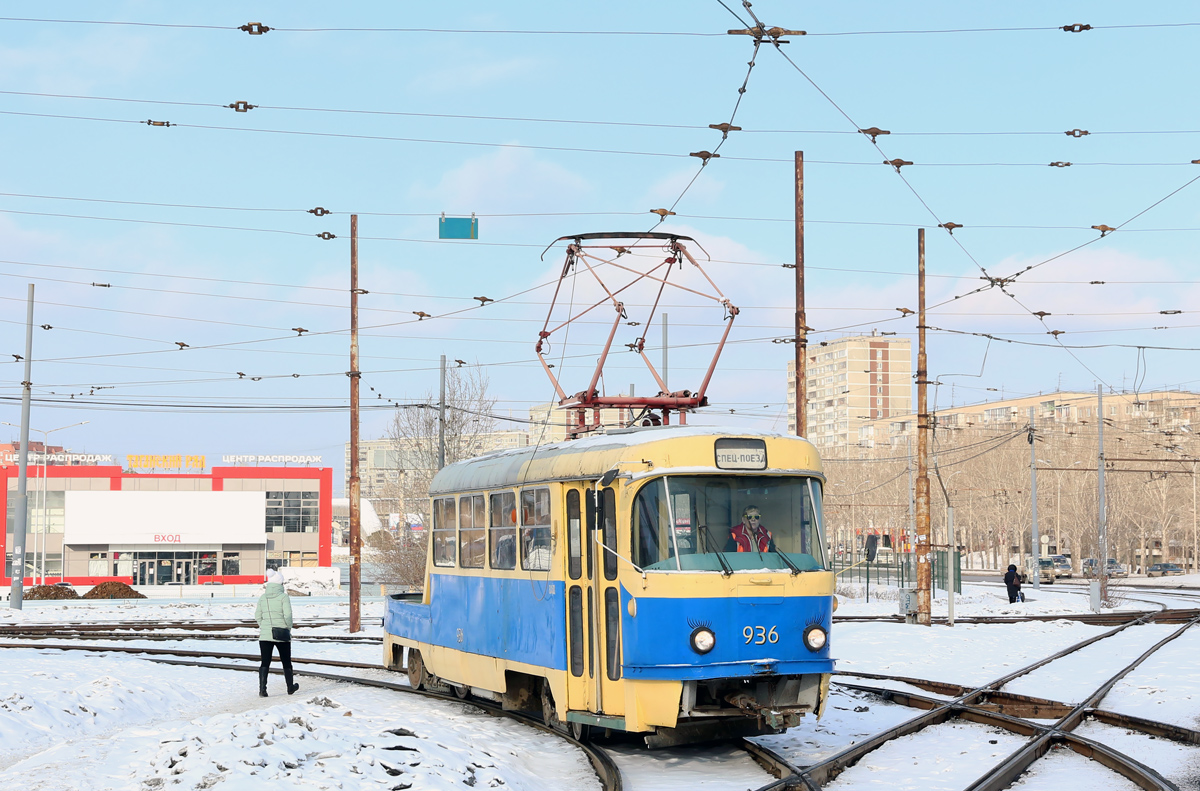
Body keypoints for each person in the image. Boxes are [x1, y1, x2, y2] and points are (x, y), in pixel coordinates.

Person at [255, 568, 299, 697]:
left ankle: (262, 690)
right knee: (286, 661)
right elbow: (288, 615)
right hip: (282, 633)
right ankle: (290, 687)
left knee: (265, 662)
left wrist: (264, 626)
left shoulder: (263, 597)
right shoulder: (283, 597)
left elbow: (258, 615)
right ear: (280, 584)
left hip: (265, 635)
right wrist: (287, 628)